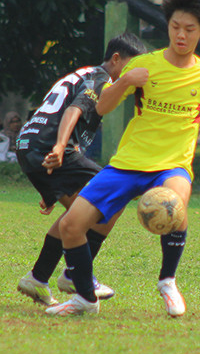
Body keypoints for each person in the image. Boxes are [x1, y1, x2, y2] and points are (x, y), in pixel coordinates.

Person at [46, 0, 200, 317]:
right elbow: (101, 107)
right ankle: (86, 298)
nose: (181, 35)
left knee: (176, 203)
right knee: (72, 226)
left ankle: (167, 281)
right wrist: (126, 80)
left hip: (172, 165)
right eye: (175, 27)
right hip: (128, 164)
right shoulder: (144, 65)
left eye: (189, 29)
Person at [15, 32, 147, 307]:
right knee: (114, 194)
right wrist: (60, 147)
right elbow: (73, 111)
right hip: (49, 146)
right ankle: (74, 275)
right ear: (116, 59)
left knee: (78, 214)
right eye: (132, 66)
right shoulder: (101, 80)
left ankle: (38, 278)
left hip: (29, 145)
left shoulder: (84, 73)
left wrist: (51, 186)